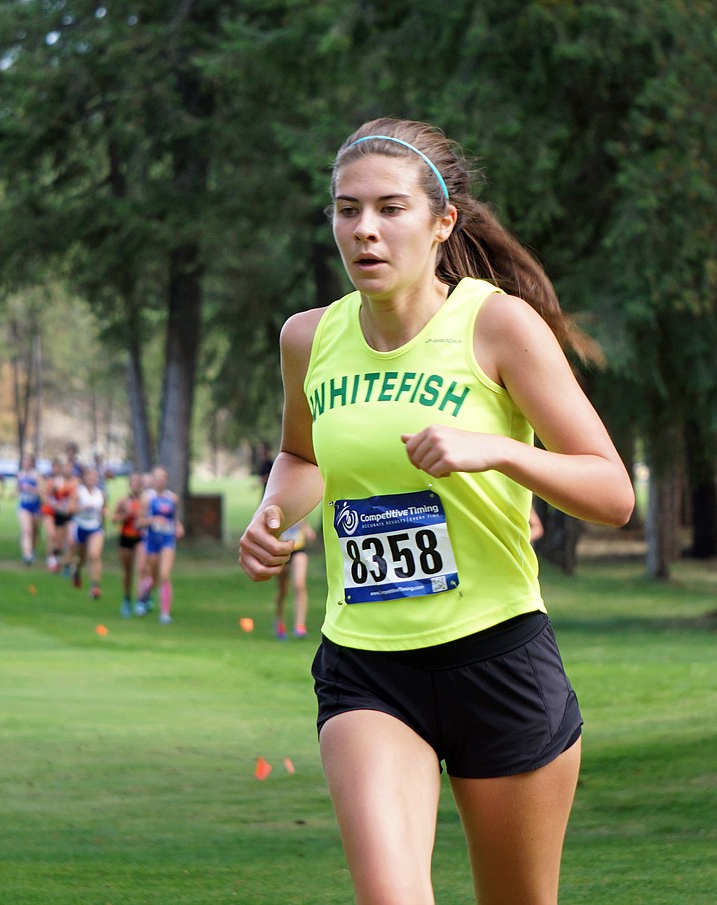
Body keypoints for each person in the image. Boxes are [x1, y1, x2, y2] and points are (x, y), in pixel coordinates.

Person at [238, 118, 634, 905]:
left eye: (390, 208)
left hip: (498, 658)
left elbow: (612, 492)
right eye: (346, 211)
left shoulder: (497, 326)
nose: (365, 230)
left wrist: (497, 452)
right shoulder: (308, 338)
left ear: (441, 221)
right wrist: (273, 515)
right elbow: (304, 455)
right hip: (368, 665)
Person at [137, 465, 184, 625]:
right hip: (152, 541)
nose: (160, 480)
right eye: (157, 477)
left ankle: (165, 613)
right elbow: (139, 521)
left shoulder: (172, 498)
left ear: (166, 480)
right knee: (153, 576)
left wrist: (178, 527)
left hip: (167, 540)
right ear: (153, 480)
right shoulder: (147, 498)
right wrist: (152, 520)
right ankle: (144, 596)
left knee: (164, 575)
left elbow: (174, 519)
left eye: (163, 477)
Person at [272, 518, 316, 640]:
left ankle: (300, 626)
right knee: (283, 590)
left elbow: (303, 522)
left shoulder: (299, 502)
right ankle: (279, 621)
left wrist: (307, 530)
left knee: (299, 585)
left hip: (299, 549)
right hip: (281, 550)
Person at [113, 472, 148, 617]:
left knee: (141, 569)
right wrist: (125, 515)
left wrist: (142, 517)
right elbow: (114, 519)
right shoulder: (123, 501)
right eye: (133, 482)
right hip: (126, 537)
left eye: (138, 482)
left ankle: (140, 601)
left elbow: (149, 518)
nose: (135, 485)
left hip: (140, 538)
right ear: (129, 484)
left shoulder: (146, 501)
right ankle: (127, 598)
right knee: (127, 572)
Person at [71, 465, 106, 599]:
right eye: (89, 475)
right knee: (82, 558)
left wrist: (103, 516)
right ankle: (77, 571)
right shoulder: (79, 492)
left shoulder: (100, 493)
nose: (92, 478)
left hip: (96, 528)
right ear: (84, 478)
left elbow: (103, 511)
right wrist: (81, 507)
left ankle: (95, 586)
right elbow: (70, 508)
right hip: (81, 527)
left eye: (94, 476)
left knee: (94, 555)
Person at [44, 459, 77, 573]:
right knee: (58, 541)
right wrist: (55, 503)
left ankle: (68, 563)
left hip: (70, 515)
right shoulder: (56, 482)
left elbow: (76, 498)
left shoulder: (75, 482)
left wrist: (71, 507)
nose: (68, 471)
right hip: (58, 514)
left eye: (70, 468)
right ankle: (54, 560)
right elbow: (48, 496)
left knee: (71, 540)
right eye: (66, 468)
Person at [15, 454, 44, 565]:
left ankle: (32, 549)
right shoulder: (20, 475)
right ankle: (27, 554)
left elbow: (42, 490)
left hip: (36, 506)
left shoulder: (36, 475)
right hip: (24, 506)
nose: (26, 463)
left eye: (28, 461)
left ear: (32, 463)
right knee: (27, 530)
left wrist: (31, 488)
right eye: (24, 461)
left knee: (34, 531)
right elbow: (17, 489)